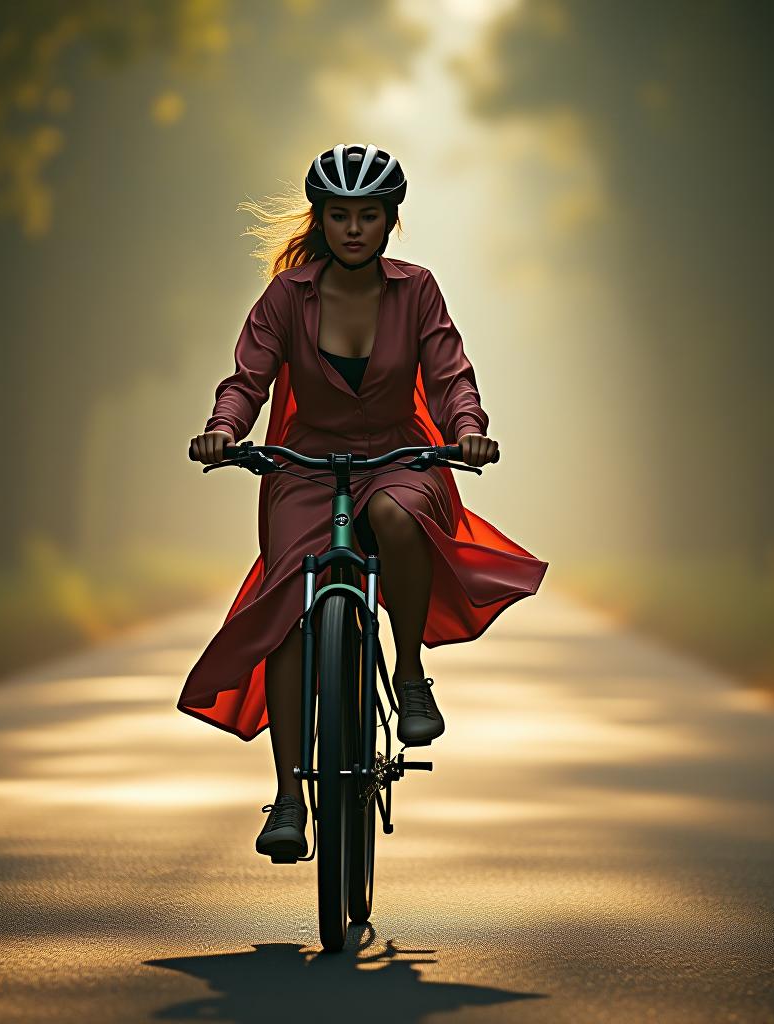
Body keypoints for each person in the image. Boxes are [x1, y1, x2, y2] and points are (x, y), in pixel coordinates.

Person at [185, 143, 548, 861]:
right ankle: (289, 797)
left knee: (393, 515)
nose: (354, 228)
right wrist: (224, 430)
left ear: (391, 222)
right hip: (304, 464)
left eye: (370, 215)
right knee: (287, 611)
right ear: (320, 219)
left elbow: (450, 375)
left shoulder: (417, 291)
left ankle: (409, 673)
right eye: (340, 215)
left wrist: (468, 432)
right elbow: (247, 378)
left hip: (400, 456)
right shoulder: (288, 297)